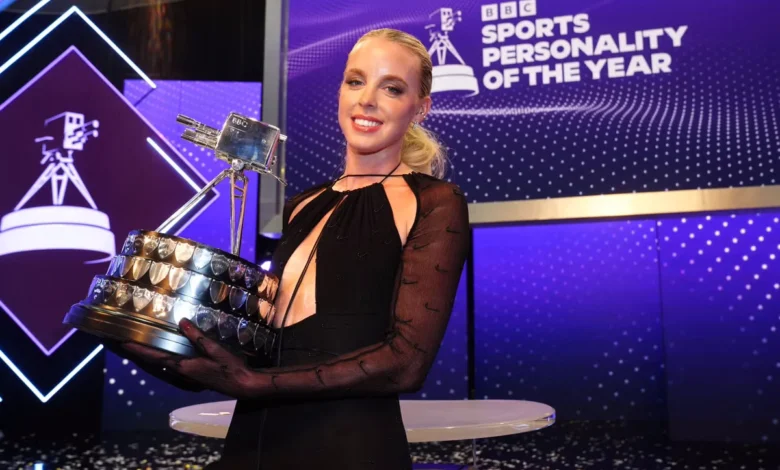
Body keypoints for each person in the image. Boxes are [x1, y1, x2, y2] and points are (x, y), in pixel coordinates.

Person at [120, 28, 470, 469]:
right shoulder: (301, 205)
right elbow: (256, 356)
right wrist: (153, 343)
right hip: (252, 444)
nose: (366, 100)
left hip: (350, 449)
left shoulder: (434, 201)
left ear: (420, 108)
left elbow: (406, 363)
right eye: (356, 81)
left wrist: (251, 384)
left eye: (392, 88)